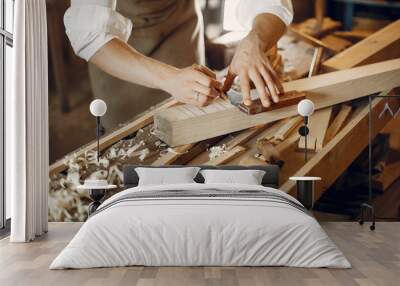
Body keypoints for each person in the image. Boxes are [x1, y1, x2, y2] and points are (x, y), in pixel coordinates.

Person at [64, 0, 293, 129]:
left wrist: (255, 40)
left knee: (191, 123)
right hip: (118, 50)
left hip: (181, 23)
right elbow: (90, 35)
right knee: (134, 141)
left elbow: (270, 3)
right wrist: (169, 78)